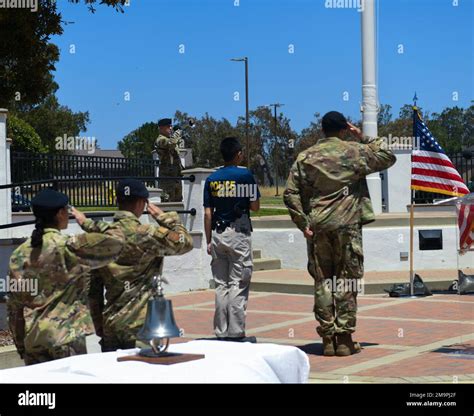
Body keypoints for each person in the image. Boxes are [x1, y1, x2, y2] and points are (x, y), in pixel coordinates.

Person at [283, 111, 396, 356]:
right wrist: (362, 135)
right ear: (344, 128)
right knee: (346, 279)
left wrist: (303, 223)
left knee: (323, 280)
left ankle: (327, 340)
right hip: (347, 225)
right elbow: (387, 156)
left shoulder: (305, 157)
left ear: (321, 129)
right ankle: (344, 339)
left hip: (319, 226)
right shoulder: (354, 151)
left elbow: (289, 193)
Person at [7, 189, 124, 365]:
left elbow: (14, 306)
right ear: (61, 213)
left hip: (34, 340)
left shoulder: (18, 255)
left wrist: (21, 345)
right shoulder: (69, 247)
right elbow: (118, 241)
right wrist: (87, 223)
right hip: (66, 339)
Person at [81, 178, 193, 352]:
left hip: (112, 324)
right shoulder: (147, 234)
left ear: (118, 201)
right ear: (142, 202)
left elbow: (93, 290)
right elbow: (185, 242)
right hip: (143, 325)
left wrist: (100, 326)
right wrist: (168, 219)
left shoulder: (100, 237)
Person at [203, 137, 261, 343]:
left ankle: (221, 331)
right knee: (238, 283)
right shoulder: (245, 175)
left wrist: (209, 240)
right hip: (239, 235)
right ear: (237, 154)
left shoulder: (212, 179)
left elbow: (208, 214)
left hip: (218, 235)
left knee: (221, 285)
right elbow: (255, 207)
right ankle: (236, 333)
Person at [155, 118, 184, 202]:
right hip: (167, 179)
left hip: (176, 177)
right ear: (161, 128)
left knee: (179, 204)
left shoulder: (170, 138)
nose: (171, 128)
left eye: (171, 126)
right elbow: (170, 143)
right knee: (167, 204)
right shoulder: (160, 139)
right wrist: (177, 134)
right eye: (168, 126)